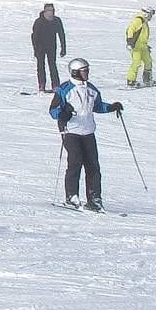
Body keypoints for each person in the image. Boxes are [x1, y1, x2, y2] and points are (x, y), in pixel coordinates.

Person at [49, 58, 123, 211]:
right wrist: (63, 114)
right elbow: (54, 111)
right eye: (84, 71)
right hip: (71, 131)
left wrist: (111, 107)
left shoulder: (92, 89)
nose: (87, 73)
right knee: (75, 163)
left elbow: (97, 106)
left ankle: (94, 198)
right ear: (75, 72)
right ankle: (72, 196)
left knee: (93, 166)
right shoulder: (64, 89)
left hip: (88, 131)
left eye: (87, 70)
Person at [31, 4, 67, 93]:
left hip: (51, 47)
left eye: (53, 10)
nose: (52, 13)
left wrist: (63, 48)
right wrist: (35, 49)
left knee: (53, 66)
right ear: (45, 11)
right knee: (40, 66)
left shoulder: (57, 21)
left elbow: (61, 34)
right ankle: (41, 85)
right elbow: (34, 36)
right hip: (40, 47)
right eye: (50, 11)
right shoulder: (39, 22)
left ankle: (55, 85)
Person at [125, 7, 155, 87]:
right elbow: (130, 30)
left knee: (148, 61)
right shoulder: (138, 20)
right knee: (136, 62)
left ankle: (147, 79)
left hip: (143, 46)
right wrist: (130, 42)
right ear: (146, 14)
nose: (151, 17)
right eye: (150, 15)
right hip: (136, 47)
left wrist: (146, 45)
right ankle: (131, 81)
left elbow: (142, 35)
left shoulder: (144, 22)